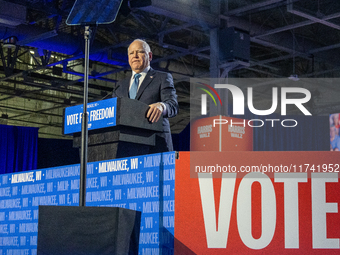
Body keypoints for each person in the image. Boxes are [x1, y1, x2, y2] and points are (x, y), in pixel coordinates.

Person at [112, 39, 178, 153]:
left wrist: (162, 106)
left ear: (150, 56)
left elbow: (173, 106)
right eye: (131, 53)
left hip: (155, 146)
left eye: (140, 52)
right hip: (126, 147)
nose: (135, 56)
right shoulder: (120, 85)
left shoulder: (162, 78)